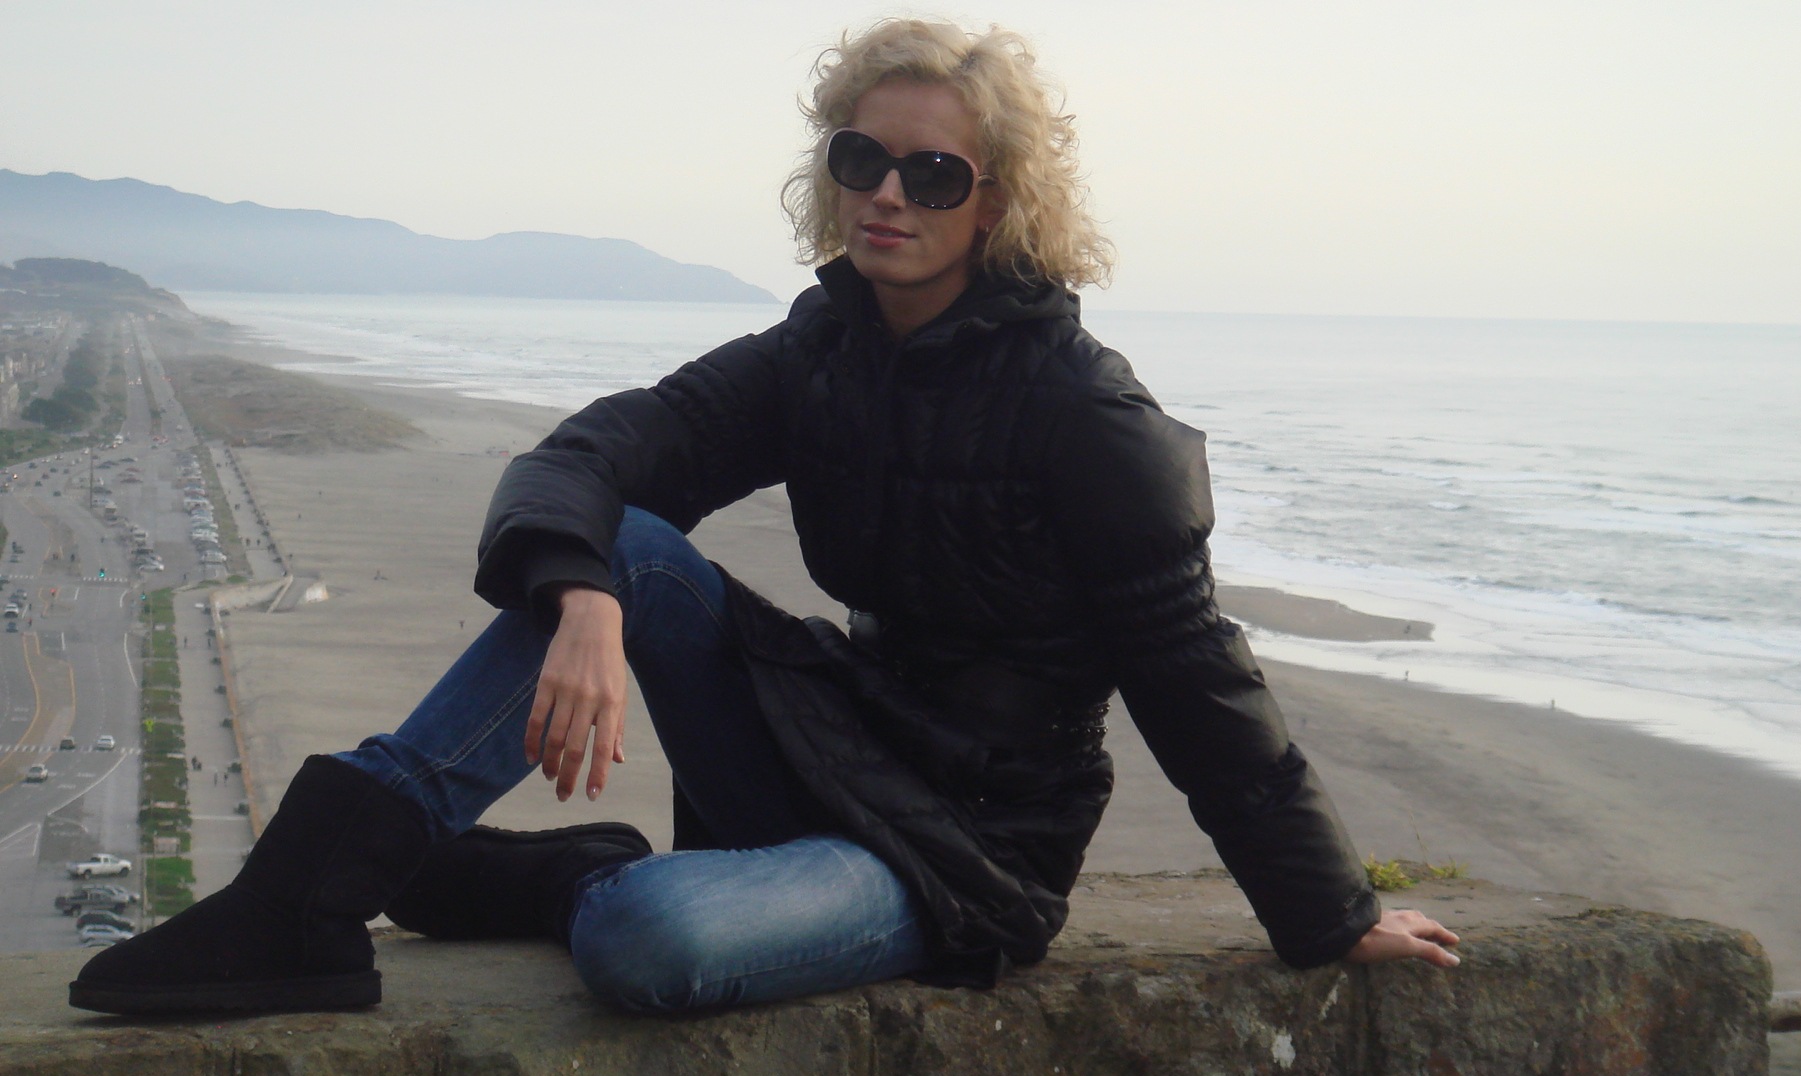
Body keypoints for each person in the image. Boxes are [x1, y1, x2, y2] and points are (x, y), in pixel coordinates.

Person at [70, 18, 1456, 1018]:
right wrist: (587, 597)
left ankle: (566, 880)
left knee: (649, 943)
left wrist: (1330, 917)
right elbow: (601, 449)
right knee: (618, 545)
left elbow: (1194, 674)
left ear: (1000, 203)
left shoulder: (1086, 415)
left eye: (934, 174)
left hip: (966, 853)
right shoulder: (819, 353)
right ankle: (310, 897)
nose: (888, 195)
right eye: (864, 158)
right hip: (824, 742)